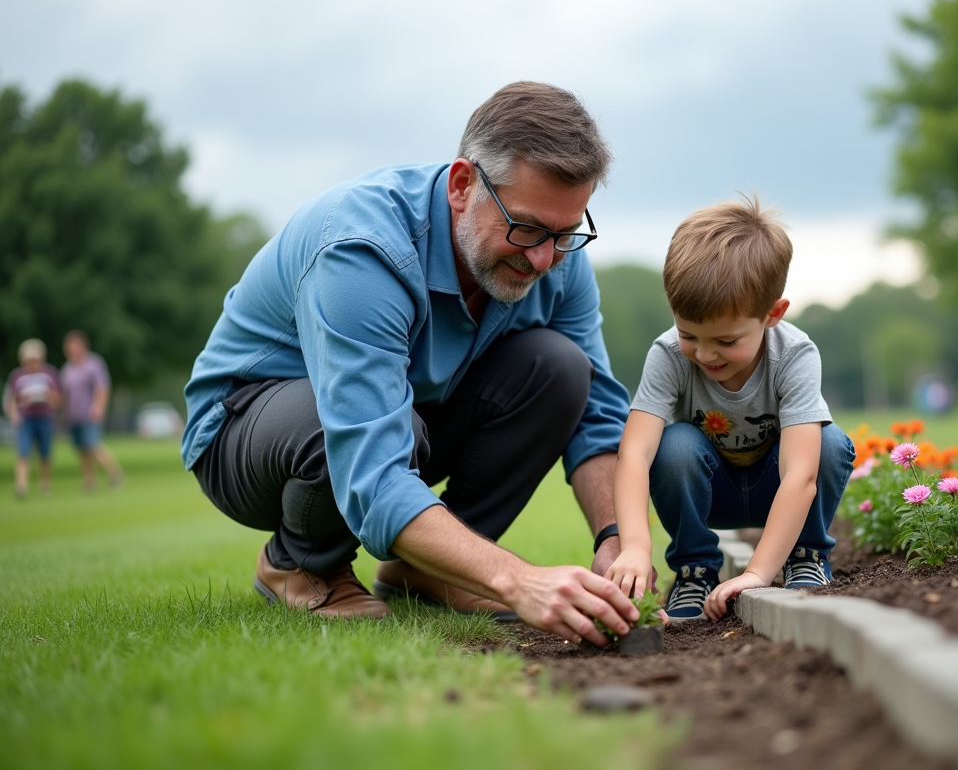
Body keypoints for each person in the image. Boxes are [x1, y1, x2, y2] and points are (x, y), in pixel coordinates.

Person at [182, 81, 640, 643]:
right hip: (251, 432)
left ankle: (429, 568)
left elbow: (596, 415)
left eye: (565, 233)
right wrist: (518, 579)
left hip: (405, 418)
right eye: (525, 228)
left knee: (562, 368)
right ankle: (301, 562)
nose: (544, 257)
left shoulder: (555, 258)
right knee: (342, 427)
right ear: (462, 185)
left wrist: (617, 540)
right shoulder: (362, 250)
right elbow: (372, 467)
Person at [604, 197, 856, 621]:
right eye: (689, 334)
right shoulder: (668, 355)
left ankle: (804, 554)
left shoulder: (794, 356)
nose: (704, 354)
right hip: (708, 491)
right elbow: (634, 454)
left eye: (726, 341)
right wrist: (634, 546)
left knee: (828, 443)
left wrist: (757, 572)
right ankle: (694, 568)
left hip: (779, 491)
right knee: (673, 445)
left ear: (772, 314)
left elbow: (801, 475)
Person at [61, 330, 124, 491]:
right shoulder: (67, 368)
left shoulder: (94, 364)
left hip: (89, 413)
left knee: (93, 445)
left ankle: (115, 473)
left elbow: (102, 387)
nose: (71, 349)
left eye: (74, 345)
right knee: (81, 449)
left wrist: (98, 407)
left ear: (83, 345)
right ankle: (89, 480)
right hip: (73, 415)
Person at [3, 338, 62, 498]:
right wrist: (14, 415)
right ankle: (21, 486)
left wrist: (47, 396)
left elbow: (58, 398)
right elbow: (11, 399)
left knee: (45, 453)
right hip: (25, 419)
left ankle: (45, 485)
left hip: (44, 418)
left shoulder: (49, 374)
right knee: (23, 452)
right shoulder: (17, 376)